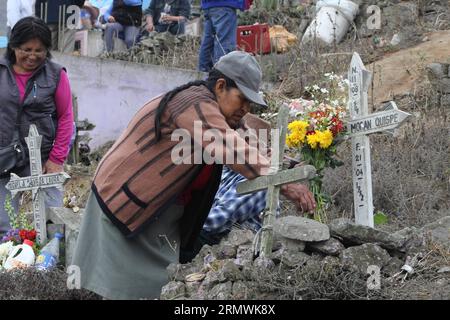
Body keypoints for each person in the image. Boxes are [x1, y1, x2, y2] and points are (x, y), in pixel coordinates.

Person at [71, 50, 315, 300]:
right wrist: (284, 184)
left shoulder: (221, 115)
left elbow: (250, 143)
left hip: (157, 211)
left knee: (158, 286)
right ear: (221, 86)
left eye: (250, 103)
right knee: (131, 288)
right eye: (242, 99)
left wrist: (288, 168)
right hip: (126, 202)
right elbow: (231, 148)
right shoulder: (193, 103)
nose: (246, 108)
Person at [0, 17, 74, 237]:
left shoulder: (55, 74)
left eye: (39, 50)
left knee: (52, 219)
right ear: (13, 47)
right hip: (3, 154)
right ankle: (10, 263)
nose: (32, 56)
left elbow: (65, 117)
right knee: (4, 224)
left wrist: (56, 159)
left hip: (42, 157)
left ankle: (51, 260)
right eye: (26, 49)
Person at [198, 0, 247, 72]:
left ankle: (203, 74)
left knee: (208, 42)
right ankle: (221, 74)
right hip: (224, 5)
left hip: (208, 5)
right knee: (225, 43)